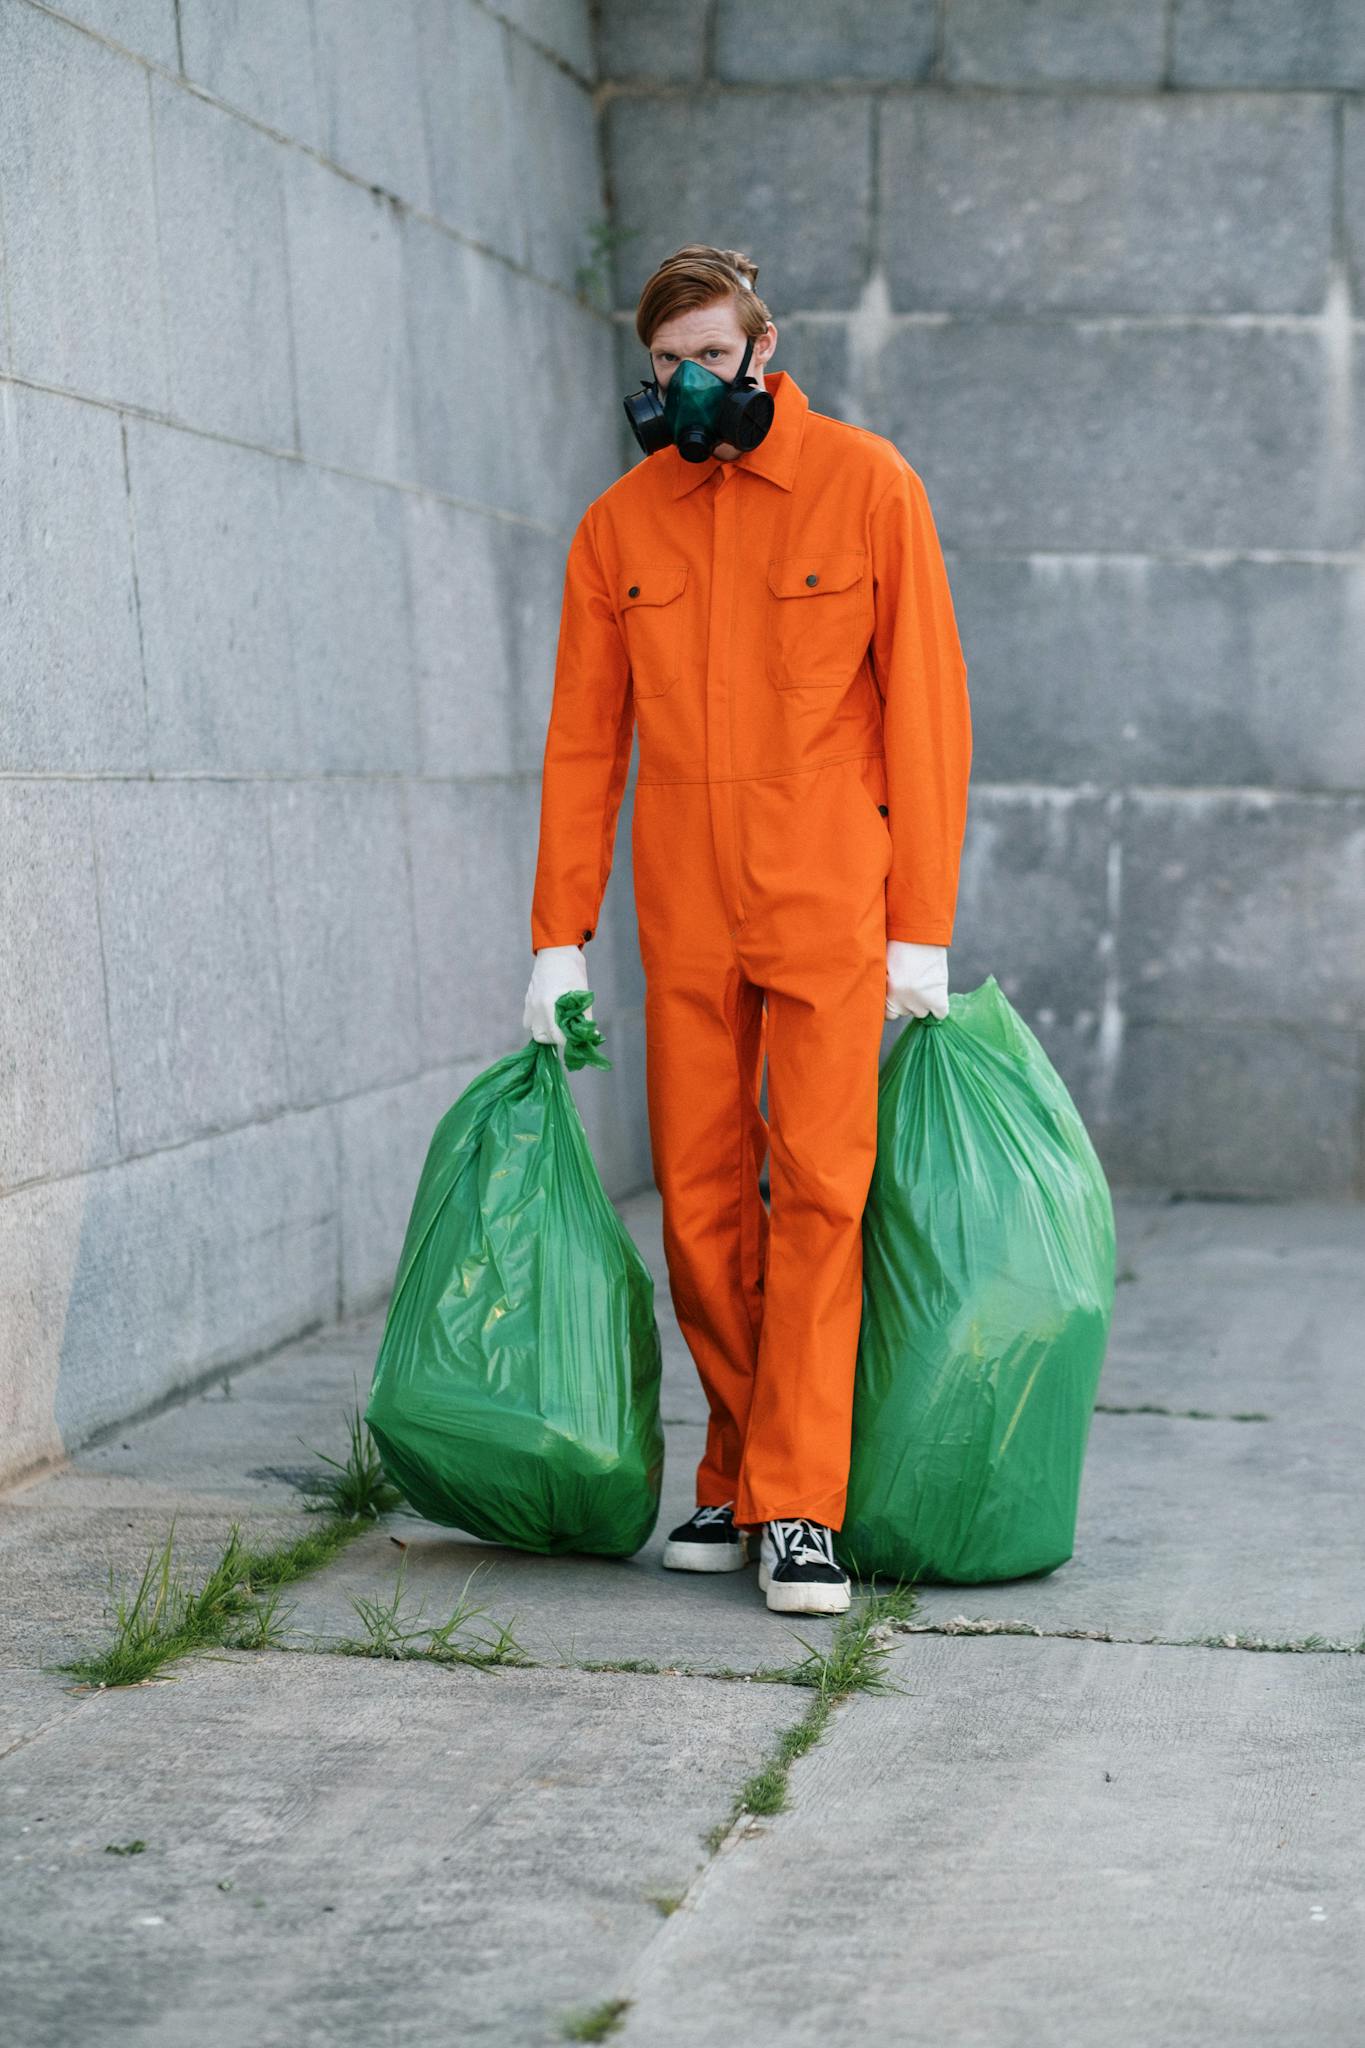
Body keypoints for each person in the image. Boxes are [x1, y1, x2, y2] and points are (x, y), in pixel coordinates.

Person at [523, 243, 972, 1616]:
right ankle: (732, 1469)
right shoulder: (620, 526)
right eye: (664, 364)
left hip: (830, 888)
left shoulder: (865, 483)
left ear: (761, 350)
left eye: (708, 357)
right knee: (704, 1203)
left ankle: (799, 1512)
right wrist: (557, 935)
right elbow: (583, 747)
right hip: (686, 900)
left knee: (823, 1193)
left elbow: (925, 710)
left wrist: (921, 928)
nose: (684, 385)